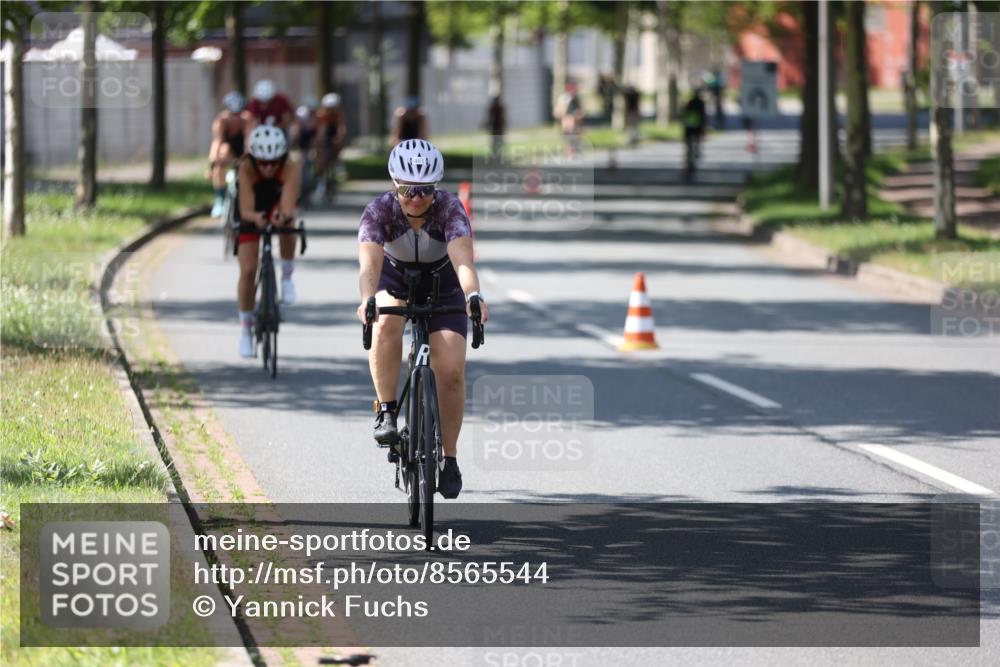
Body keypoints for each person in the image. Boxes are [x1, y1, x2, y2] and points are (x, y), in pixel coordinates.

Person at [356, 139, 490, 499]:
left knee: (451, 373)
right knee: (384, 323)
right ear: (394, 184)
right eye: (407, 189)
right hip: (396, 279)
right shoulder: (378, 211)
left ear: (437, 187)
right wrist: (368, 299)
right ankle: (386, 410)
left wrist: (473, 295)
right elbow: (369, 266)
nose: (416, 197)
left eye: (425, 189)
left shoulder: (449, 208)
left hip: (443, 283)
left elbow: (463, 261)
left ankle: (449, 458)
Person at [235, 125, 302, 357]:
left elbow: (288, 205)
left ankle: (286, 274)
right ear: (254, 158)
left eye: (274, 162)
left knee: (288, 225)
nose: (269, 167)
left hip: (276, 202)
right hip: (251, 210)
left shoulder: (290, 167)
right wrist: (257, 218)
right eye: (263, 162)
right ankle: (245, 330)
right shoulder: (245, 167)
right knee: (248, 269)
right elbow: (245, 209)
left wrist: (280, 216)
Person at [208, 91, 248, 218]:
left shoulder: (247, 120)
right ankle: (219, 199)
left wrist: (246, 160)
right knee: (222, 153)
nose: (235, 118)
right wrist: (213, 161)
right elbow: (217, 141)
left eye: (238, 114)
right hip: (228, 151)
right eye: (232, 114)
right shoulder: (221, 121)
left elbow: (248, 143)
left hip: (242, 150)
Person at [315, 92, 347, 200]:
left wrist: (338, 139)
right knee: (321, 160)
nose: (331, 110)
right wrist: (320, 143)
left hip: (333, 138)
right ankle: (321, 182)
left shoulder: (338, 114)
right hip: (324, 138)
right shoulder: (321, 115)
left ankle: (337, 168)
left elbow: (341, 128)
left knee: (334, 158)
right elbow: (321, 131)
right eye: (329, 108)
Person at [682, 88, 708, 180]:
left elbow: (684, 116)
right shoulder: (701, 104)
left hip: (689, 129)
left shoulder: (689, 103)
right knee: (696, 143)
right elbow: (704, 117)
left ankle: (688, 163)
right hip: (698, 128)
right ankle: (696, 155)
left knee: (688, 148)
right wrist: (704, 130)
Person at [554, 82, 583, 156]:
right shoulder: (565, 97)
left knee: (575, 134)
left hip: (573, 118)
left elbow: (579, 109)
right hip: (567, 118)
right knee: (569, 134)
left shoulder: (576, 97)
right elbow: (559, 110)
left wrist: (579, 115)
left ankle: (572, 149)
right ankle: (569, 150)